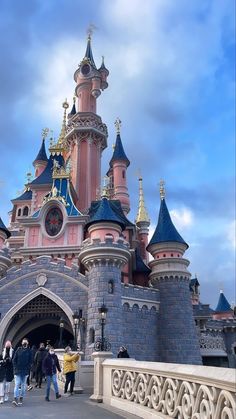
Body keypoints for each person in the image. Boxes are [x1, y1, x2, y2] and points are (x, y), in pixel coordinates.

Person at [12, 338, 32, 406]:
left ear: (28, 343)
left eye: (26, 342)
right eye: (23, 342)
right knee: (17, 384)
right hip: (18, 370)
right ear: (22, 343)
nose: (24, 343)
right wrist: (15, 368)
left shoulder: (29, 351)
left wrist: (28, 368)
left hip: (25, 371)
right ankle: (15, 398)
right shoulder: (18, 350)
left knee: (23, 386)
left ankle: (21, 397)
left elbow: (30, 361)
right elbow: (14, 360)